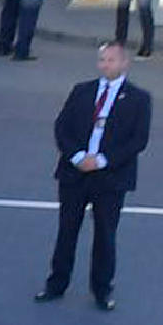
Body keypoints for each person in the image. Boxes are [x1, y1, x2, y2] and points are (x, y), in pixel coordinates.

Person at [40, 38, 149, 311]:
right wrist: (77, 157)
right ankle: (56, 284)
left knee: (105, 235)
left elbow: (138, 140)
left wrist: (101, 160)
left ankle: (102, 289)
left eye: (111, 60)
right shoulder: (82, 91)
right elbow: (62, 127)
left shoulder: (139, 99)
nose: (105, 65)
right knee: (67, 232)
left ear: (124, 63)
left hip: (110, 178)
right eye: (102, 60)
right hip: (74, 174)